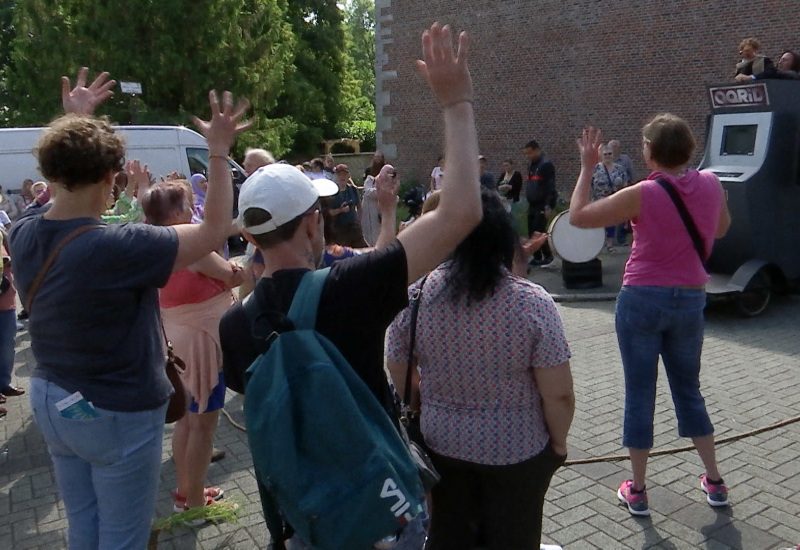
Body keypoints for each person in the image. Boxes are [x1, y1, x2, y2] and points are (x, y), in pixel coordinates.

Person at [220, 22, 482, 550]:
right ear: (315, 222)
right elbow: (460, 212)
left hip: (305, 515)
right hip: (378, 506)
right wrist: (456, 102)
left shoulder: (233, 325)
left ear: (247, 234)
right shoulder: (350, 286)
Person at [9, 66, 250, 549]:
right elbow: (213, 229)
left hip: (53, 400)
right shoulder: (120, 246)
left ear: (51, 172)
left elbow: (59, 183)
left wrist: (75, 122)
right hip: (114, 410)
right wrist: (219, 152)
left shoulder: (23, 231)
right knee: (124, 537)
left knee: (84, 525)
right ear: (110, 177)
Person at [385, 188, 574, 550]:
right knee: (514, 537)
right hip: (518, 448)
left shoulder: (415, 295)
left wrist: (425, 406)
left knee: (449, 534)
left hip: (440, 444)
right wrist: (559, 443)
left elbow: (398, 368)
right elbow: (560, 394)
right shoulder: (533, 302)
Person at [569, 114, 732, 517]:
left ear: (649, 152)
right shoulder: (712, 184)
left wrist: (588, 167)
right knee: (689, 390)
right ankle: (714, 481)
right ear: (690, 149)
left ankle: (638, 489)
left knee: (640, 393)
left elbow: (578, 217)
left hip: (642, 298)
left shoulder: (643, 192)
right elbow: (722, 229)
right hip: (691, 298)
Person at [141, 180, 243, 520]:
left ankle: (187, 491)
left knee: (186, 421)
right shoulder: (188, 245)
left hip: (176, 337)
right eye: (187, 206)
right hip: (202, 341)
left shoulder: (150, 242)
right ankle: (196, 503)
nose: (193, 210)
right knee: (203, 425)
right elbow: (231, 275)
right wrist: (238, 271)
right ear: (174, 214)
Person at [523, 139, 556, 267]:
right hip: (532, 203)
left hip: (542, 203)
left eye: (529, 153)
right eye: (526, 154)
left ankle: (548, 256)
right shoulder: (531, 165)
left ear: (537, 150)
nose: (528, 156)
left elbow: (550, 187)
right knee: (531, 230)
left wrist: (548, 205)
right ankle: (537, 257)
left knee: (539, 230)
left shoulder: (545, 165)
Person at [591, 143, 630, 252]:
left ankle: (609, 244)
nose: (607, 156)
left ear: (613, 155)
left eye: (609, 154)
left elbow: (625, 183)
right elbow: (589, 185)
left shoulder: (619, 168)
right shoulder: (595, 169)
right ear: (601, 155)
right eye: (605, 154)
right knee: (598, 223)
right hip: (599, 200)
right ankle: (598, 244)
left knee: (610, 222)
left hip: (613, 200)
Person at [326, 163, 368, 248]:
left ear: (348, 175)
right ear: (335, 176)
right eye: (340, 174)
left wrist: (358, 220)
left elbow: (359, 206)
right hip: (338, 229)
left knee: (363, 249)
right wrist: (340, 210)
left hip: (353, 227)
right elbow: (327, 213)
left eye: (344, 174)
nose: (342, 177)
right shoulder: (332, 192)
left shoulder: (352, 190)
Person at [361, 151, 387, 246]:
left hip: (383, 204)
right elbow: (367, 190)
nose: (378, 159)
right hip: (370, 205)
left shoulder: (386, 170)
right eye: (376, 157)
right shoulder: (369, 172)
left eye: (379, 157)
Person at [736, 50, 800, 82]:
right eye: (780, 59)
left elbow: (773, 73)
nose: (780, 62)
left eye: (785, 60)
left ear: (794, 63)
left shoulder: (793, 75)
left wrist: (751, 77)